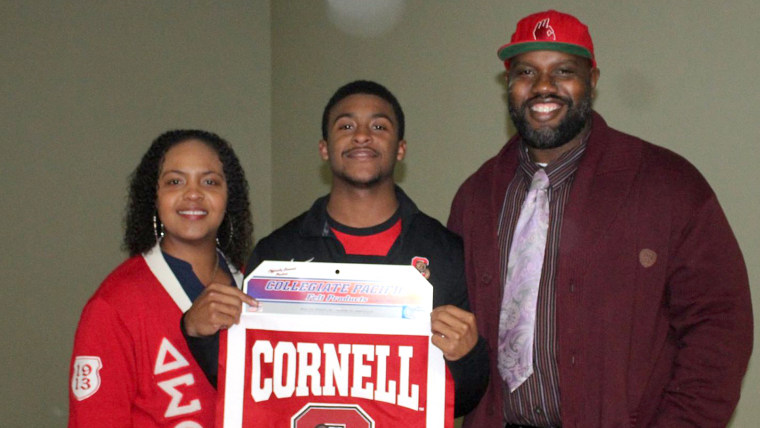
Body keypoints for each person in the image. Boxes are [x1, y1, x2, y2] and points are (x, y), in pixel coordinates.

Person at [447, 9, 753, 428]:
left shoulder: (669, 185)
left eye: (563, 71)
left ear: (591, 81)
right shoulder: (476, 197)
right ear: (509, 85)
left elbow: (720, 325)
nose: (542, 87)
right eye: (525, 73)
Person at [183, 80, 490, 417]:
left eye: (378, 126)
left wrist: (468, 356)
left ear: (400, 148)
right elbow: (249, 385)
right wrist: (199, 333)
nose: (361, 135)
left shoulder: (446, 252)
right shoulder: (276, 253)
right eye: (346, 126)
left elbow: (461, 401)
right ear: (324, 148)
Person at [69, 130, 253, 427]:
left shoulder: (254, 286)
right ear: (153, 197)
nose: (193, 193)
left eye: (210, 181)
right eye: (174, 181)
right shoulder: (114, 304)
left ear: (228, 196)